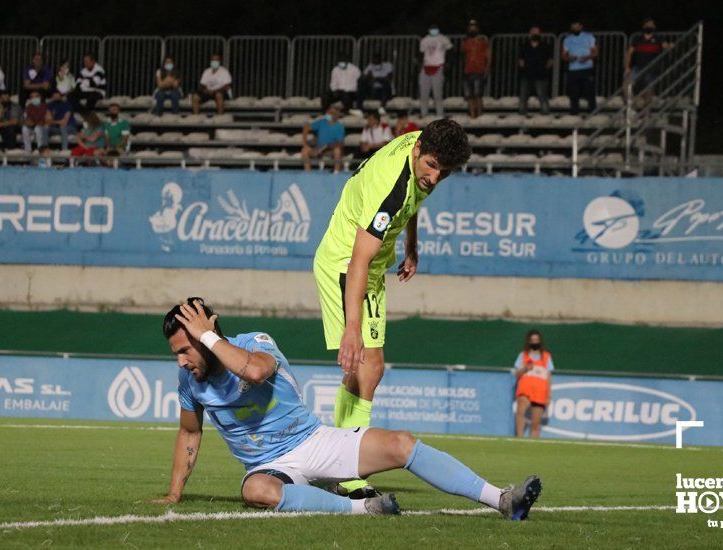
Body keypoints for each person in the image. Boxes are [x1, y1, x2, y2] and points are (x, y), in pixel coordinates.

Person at [151, 296, 542, 520]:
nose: (182, 362)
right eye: (177, 354)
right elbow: (190, 432)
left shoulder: (256, 343)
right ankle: (363, 508)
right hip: (269, 466)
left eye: (186, 349)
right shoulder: (189, 381)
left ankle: (502, 499)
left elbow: (253, 372)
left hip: (314, 441)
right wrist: (173, 494)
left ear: (209, 335)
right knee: (257, 490)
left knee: (402, 444)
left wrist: (205, 335)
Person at [313, 119, 471, 498]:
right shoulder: (392, 187)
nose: (435, 177)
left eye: (444, 172)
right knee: (368, 364)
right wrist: (352, 328)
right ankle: (348, 472)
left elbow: (411, 202)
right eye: (432, 166)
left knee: (367, 370)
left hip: (372, 267)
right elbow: (358, 262)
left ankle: (338, 461)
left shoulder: (425, 153)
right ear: (418, 151)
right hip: (345, 264)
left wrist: (410, 245)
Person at [624, 18, 672, 110]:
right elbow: (629, 53)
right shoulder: (637, 39)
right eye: (647, 25)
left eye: (651, 25)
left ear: (654, 27)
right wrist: (627, 67)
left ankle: (646, 114)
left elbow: (666, 46)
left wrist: (671, 45)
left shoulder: (658, 39)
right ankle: (632, 107)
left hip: (652, 69)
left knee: (648, 91)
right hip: (638, 67)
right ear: (643, 26)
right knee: (627, 83)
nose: (649, 27)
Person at [513, 330, 553, 439]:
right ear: (529, 342)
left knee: (536, 421)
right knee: (521, 412)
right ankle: (519, 438)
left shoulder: (546, 357)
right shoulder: (523, 355)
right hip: (525, 389)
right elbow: (517, 374)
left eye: (537, 340)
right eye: (532, 340)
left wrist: (548, 396)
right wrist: (525, 368)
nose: (535, 343)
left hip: (540, 392)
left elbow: (548, 376)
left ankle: (533, 443)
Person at [562, 20, 598, 115]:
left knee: (589, 90)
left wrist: (587, 57)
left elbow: (595, 52)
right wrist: (570, 58)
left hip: (586, 68)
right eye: (573, 27)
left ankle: (593, 111)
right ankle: (574, 112)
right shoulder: (567, 39)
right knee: (574, 92)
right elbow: (564, 55)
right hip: (573, 69)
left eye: (577, 26)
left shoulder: (588, 37)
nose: (575, 28)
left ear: (581, 27)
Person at [418, 24, 452, 118]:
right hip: (426, 67)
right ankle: (423, 113)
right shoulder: (425, 39)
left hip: (438, 66)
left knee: (437, 93)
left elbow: (450, 51)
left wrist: (447, 63)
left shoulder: (443, 39)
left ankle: (440, 114)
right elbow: (420, 53)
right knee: (424, 93)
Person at [517, 26, 553, 115]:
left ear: (540, 34)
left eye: (537, 32)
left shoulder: (545, 46)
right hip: (526, 74)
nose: (535, 34)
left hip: (541, 74)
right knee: (523, 96)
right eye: (533, 32)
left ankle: (545, 113)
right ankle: (522, 113)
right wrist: (524, 68)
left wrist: (544, 69)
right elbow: (520, 60)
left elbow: (550, 60)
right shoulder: (525, 46)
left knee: (542, 95)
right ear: (530, 34)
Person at [461, 19, 491, 119]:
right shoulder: (465, 41)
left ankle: (479, 114)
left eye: (474, 27)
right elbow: (462, 53)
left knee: (478, 94)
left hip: (479, 70)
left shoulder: (482, 41)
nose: (472, 28)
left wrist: (487, 68)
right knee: (469, 95)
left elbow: (488, 54)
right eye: (470, 27)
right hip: (468, 70)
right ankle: (472, 115)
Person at [301, 106, 345, 173]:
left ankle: (336, 172)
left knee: (337, 151)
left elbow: (340, 143)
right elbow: (306, 127)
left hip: (330, 150)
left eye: (331, 113)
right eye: (328, 112)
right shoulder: (322, 122)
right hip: (318, 149)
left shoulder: (339, 126)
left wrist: (327, 146)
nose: (328, 114)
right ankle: (307, 172)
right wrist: (304, 142)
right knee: (305, 150)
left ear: (336, 115)